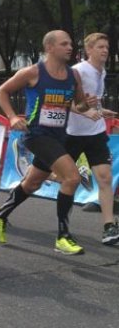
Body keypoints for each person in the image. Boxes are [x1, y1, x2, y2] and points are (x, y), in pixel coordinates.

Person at [0, 30, 99, 255]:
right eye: (64, 44)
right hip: (37, 135)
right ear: (49, 47)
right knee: (72, 177)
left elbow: (78, 106)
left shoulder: (73, 76)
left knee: (32, 183)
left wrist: (87, 104)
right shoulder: (32, 72)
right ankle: (63, 236)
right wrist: (11, 117)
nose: (70, 47)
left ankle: (0, 214)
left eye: (71, 44)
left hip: (59, 136)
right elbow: (2, 91)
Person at [66, 32, 118, 245]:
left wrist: (100, 109)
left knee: (104, 178)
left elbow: (90, 101)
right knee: (49, 177)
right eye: (100, 47)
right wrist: (86, 112)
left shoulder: (102, 72)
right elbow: (64, 101)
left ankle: (109, 227)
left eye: (107, 47)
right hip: (73, 133)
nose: (105, 50)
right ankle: (21, 190)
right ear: (89, 50)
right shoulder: (78, 71)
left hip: (95, 132)